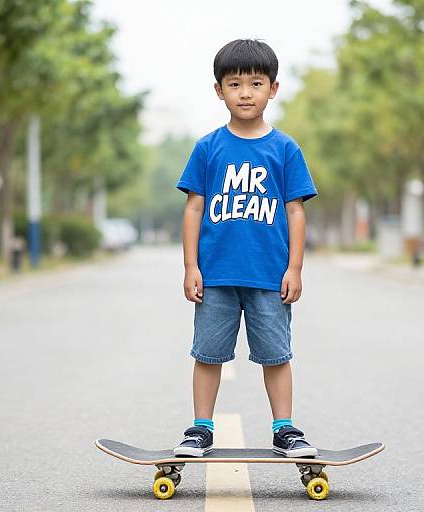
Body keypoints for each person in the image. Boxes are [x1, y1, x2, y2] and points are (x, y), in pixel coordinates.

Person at [173, 39, 318, 458]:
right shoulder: (208, 147)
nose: (246, 92)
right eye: (235, 84)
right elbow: (193, 207)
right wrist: (190, 266)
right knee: (208, 353)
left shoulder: (285, 149)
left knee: (276, 355)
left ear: (273, 88)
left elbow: (295, 213)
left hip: (269, 276)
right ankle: (201, 428)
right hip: (215, 274)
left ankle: (284, 429)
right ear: (219, 90)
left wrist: (295, 268)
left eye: (256, 83)